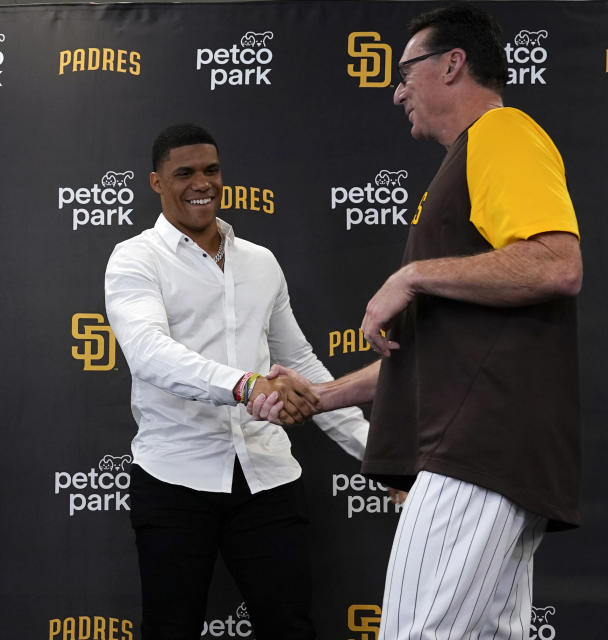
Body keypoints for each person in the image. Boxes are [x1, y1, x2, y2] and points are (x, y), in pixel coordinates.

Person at [252, 4, 582, 638]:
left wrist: (411, 275)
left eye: (406, 72)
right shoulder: (465, 161)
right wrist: (321, 396)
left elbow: (556, 263)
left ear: (452, 64)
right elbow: (437, 355)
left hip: (475, 454)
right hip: (488, 454)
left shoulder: (502, 132)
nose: (397, 90)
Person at [104, 123, 370, 639]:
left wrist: (374, 452)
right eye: (184, 173)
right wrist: (247, 385)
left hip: (267, 477)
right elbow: (149, 354)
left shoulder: (261, 262)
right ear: (157, 182)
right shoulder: (135, 258)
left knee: (291, 629)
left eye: (211, 170)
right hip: (174, 479)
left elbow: (302, 365)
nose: (201, 182)